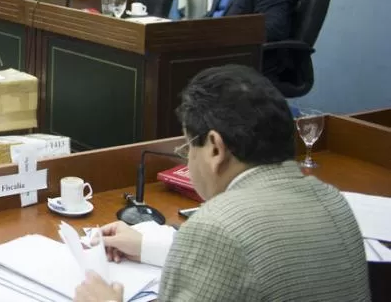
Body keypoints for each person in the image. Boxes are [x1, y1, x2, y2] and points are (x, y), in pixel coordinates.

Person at [74, 64, 369, 302]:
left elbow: (234, 245)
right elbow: (261, 261)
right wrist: (148, 245)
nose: (188, 160)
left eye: (189, 146)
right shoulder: (332, 199)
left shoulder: (218, 226)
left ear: (215, 148)